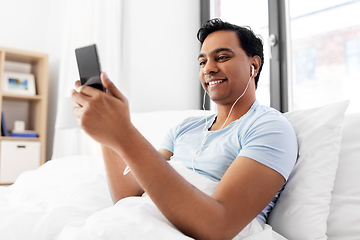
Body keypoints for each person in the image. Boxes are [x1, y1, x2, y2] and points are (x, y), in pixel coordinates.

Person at [71, 18, 297, 240]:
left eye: (222, 57)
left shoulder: (269, 128)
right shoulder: (184, 129)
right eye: (202, 62)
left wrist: (124, 132)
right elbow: (129, 197)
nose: (208, 68)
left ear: (253, 65)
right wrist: (107, 135)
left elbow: (218, 225)